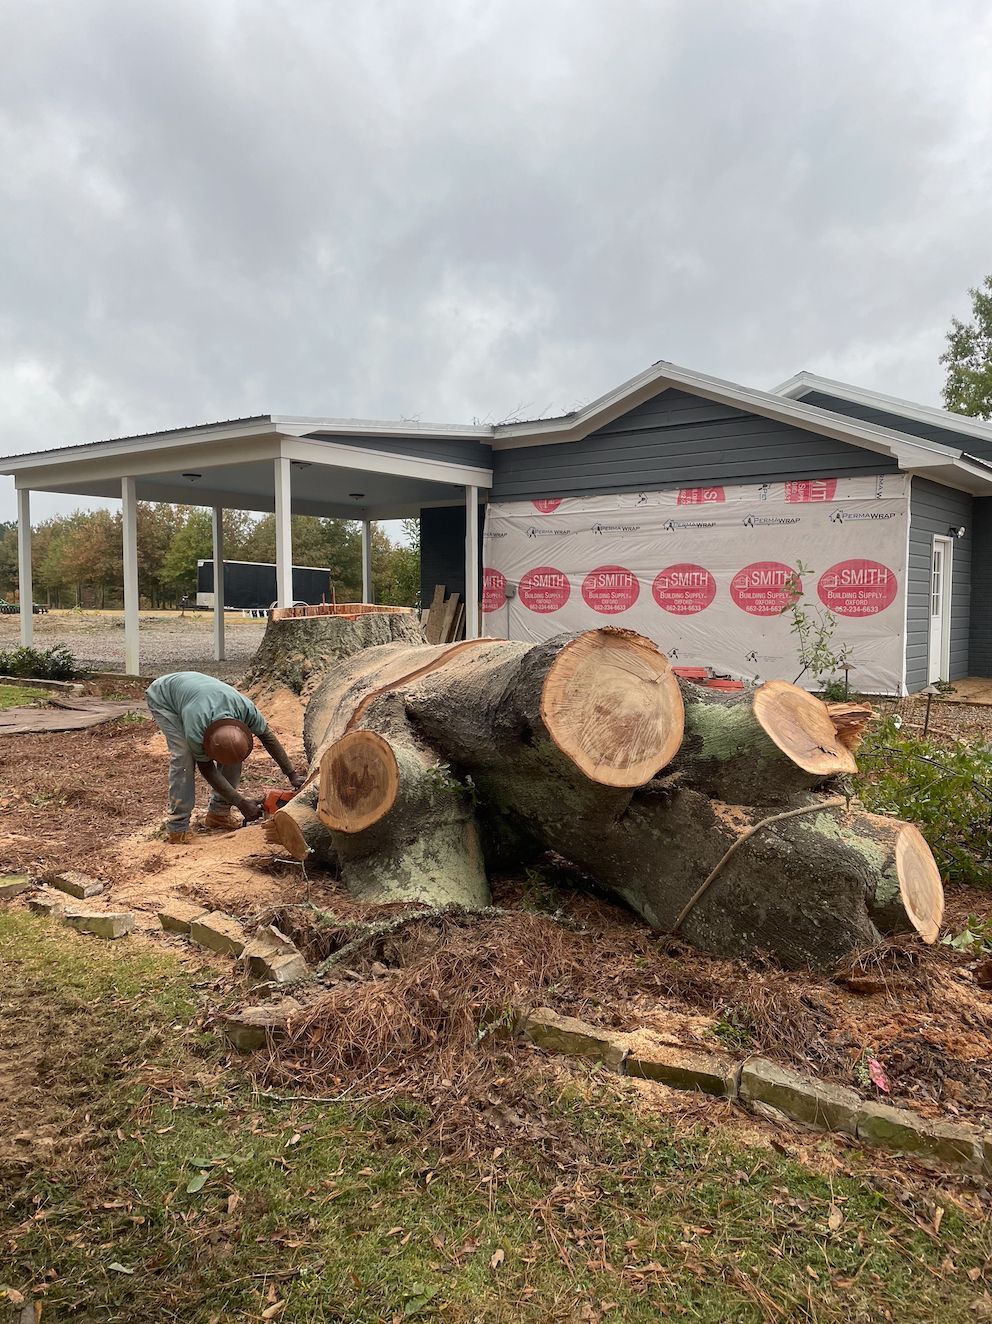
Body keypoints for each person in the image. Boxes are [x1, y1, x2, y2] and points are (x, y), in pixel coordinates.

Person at [145, 672, 303, 845]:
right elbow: (207, 769)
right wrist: (241, 803)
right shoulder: (196, 729)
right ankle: (178, 828)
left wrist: (292, 774)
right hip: (165, 695)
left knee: (233, 751)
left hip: (201, 695)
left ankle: (218, 815)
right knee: (184, 757)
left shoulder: (246, 710)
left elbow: (268, 738)